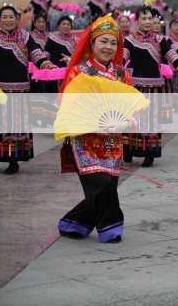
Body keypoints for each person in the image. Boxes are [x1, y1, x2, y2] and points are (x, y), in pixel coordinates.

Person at [57, 14, 133, 243]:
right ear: (92, 43)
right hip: (85, 138)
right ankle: (111, 227)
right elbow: (69, 105)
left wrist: (124, 121)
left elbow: (132, 107)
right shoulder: (78, 72)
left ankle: (74, 223)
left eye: (113, 42)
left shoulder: (122, 74)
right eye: (103, 41)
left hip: (112, 138)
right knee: (99, 184)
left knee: (107, 184)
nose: (108, 47)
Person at [123, 6, 178, 166]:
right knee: (133, 120)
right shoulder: (129, 40)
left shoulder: (162, 40)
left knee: (152, 121)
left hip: (155, 86)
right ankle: (128, 150)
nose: (147, 22)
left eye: (150, 18)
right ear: (137, 21)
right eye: (144, 18)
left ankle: (149, 154)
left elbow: (172, 56)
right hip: (135, 87)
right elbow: (121, 58)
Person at [0, 5, 54, 174]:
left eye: (11, 17)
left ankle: (13, 160)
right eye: (5, 17)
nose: (8, 20)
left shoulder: (26, 37)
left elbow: (36, 53)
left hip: (20, 89)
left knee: (15, 126)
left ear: (17, 19)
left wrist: (45, 63)